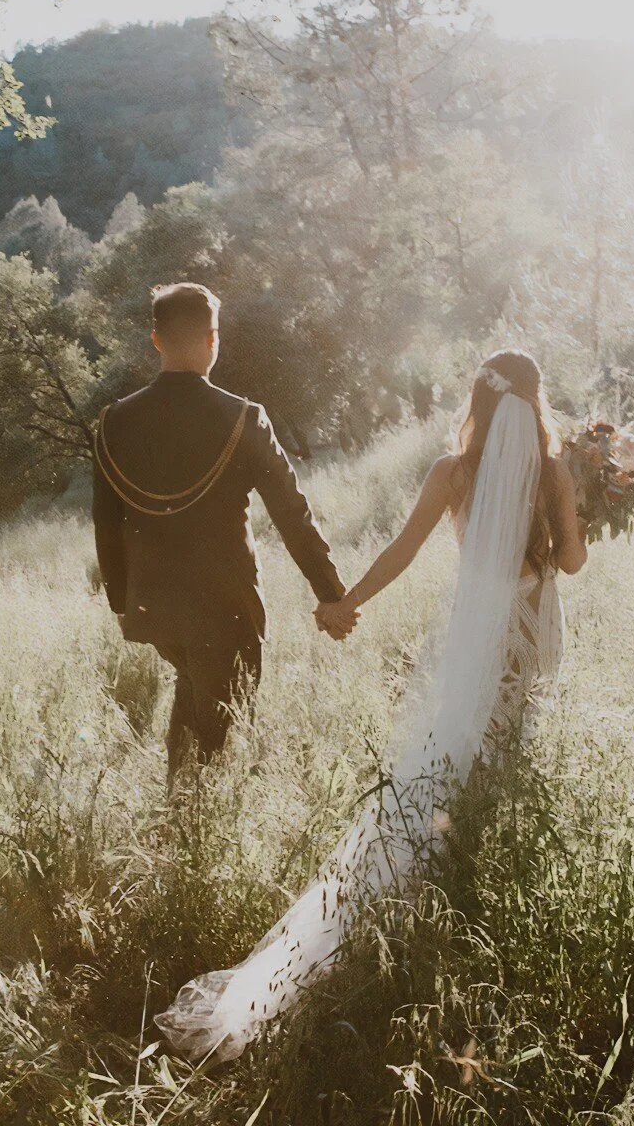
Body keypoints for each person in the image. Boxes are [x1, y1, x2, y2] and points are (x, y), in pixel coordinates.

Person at [154, 349, 588, 1062]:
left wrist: (345, 601)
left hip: (477, 636)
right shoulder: (554, 472)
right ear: (536, 406)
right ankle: (472, 889)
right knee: (507, 762)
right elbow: (570, 563)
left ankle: (417, 891)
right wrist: (577, 515)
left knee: (446, 759)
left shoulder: (453, 472)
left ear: (477, 404)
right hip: (534, 632)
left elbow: (405, 548)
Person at [92, 282, 357, 788]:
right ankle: (192, 834)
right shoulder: (243, 418)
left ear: (156, 340)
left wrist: (123, 602)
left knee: (192, 706)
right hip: (225, 604)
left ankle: (175, 818)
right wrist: (329, 593)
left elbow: (106, 521)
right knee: (220, 737)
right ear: (213, 340)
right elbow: (292, 514)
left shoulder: (114, 422)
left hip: (155, 607)